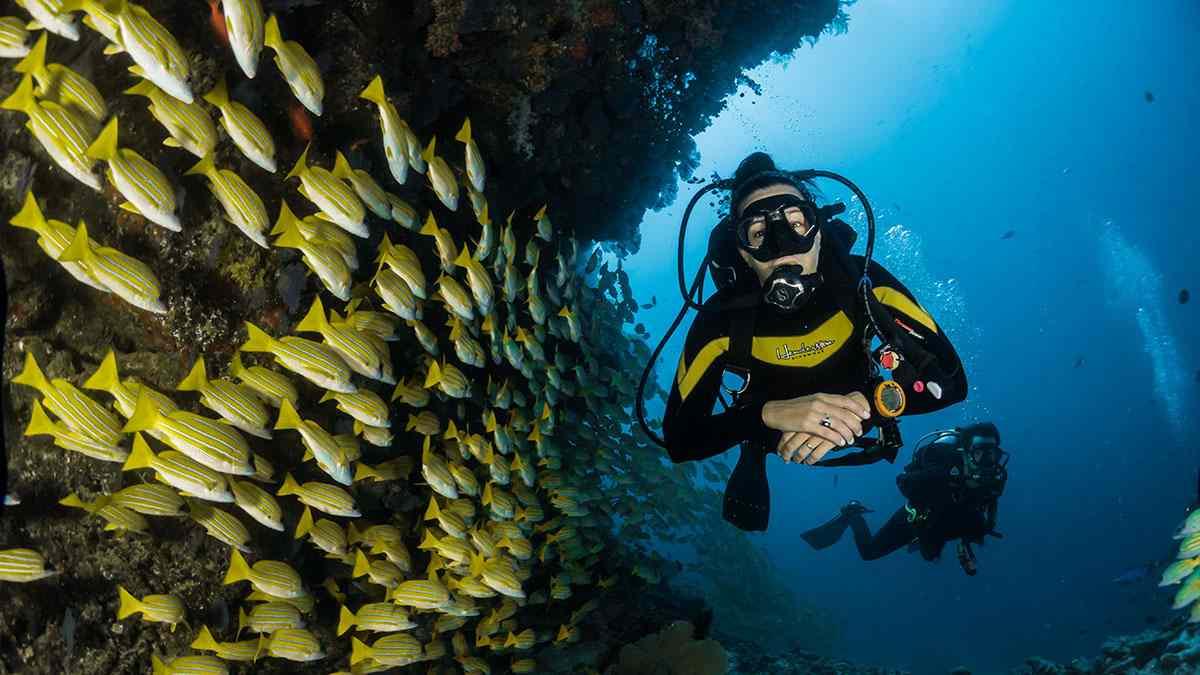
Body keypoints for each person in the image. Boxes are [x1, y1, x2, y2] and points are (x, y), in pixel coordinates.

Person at [660, 152, 968, 530]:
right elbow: (680, 440)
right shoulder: (720, 322)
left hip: (864, 411)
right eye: (758, 233)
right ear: (742, 252)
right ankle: (754, 448)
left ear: (819, 231)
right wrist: (765, 416)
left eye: (796, 223)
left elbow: (953, 383)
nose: (782, 245)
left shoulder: (865, 284)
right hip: (772, 432)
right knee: (754, 438)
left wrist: (870, 404)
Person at [801, 422, 1008, 576]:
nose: (989, 462)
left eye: (994, 455)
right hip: (917, 519)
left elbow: (985, 510)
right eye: (982, 454)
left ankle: (944, 540)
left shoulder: (994, 479)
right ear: (966, 453)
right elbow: (904, 482)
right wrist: (943, 483)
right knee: (869, 552)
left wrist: (966, 541)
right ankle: (852, 513)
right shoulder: (942, 468)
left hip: (949, 522)